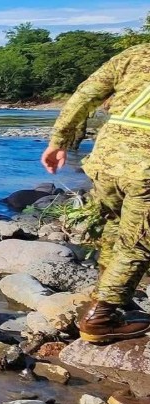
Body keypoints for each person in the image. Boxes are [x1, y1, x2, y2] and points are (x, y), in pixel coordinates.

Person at [41, 44, 150, 345]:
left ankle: (111, 295)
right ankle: (100, 316)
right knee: (138, 245)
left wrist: (58, 140)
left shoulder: (137, 53)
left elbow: (85, 94)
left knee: (115, 225)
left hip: (107, 160)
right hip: (145, 168)